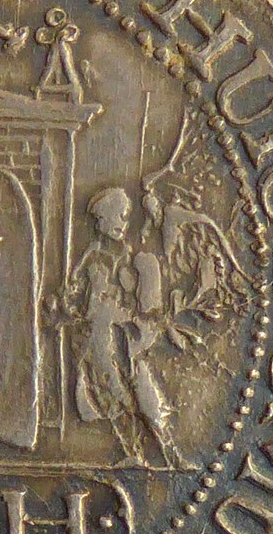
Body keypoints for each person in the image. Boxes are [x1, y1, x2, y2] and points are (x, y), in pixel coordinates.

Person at [63, 188, 183, 468]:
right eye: (118, 216)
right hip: (99, 338)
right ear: (101, 220)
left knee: (143, 393)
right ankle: (136, 452)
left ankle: (168, 454)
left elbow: (130, 299)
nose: (123, 222)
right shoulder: (93, 257)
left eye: (125, 216)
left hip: (123, 337)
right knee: (113, 395)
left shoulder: (125, 256)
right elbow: (83, 300)